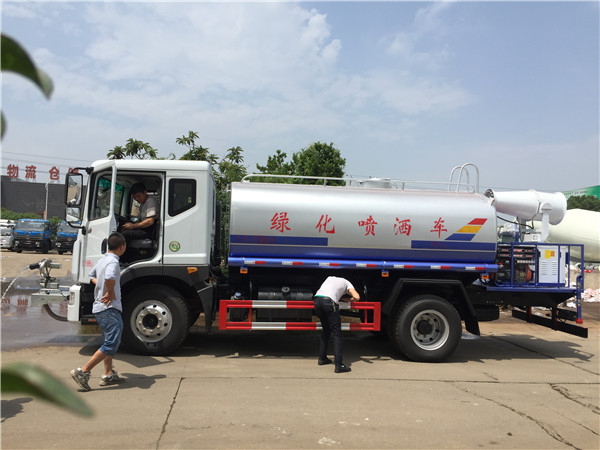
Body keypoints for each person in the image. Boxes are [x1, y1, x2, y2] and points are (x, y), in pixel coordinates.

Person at [71, 232, 127, 391]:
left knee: (109, 340)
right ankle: (83, 371)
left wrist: (101, 285)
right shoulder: (113, 262)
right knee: (112, 343)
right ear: (122, 247)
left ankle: (108, 374)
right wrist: (109, 292)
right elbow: (109, 277)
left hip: (100, 308)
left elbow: (91, 275)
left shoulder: (103, 260)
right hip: (109, 308)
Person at [313, 276, 360, 373]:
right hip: (329, 302)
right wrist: (347, 299)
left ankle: (322, 358)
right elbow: (357, 297)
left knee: (326, 331)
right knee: (337, 334)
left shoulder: (329, 278)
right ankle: (339, 365)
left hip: (317, 300)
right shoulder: (348, 283)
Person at [119, 183, 158, 262]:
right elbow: (140, 220)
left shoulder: (150, 201)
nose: (137, 199)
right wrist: (129, 225)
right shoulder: (142, 204)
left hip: (148, 231)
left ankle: (123, 258)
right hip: (144, 228)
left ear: (145, 193)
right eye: (135, 197)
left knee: (124, 235)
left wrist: (133, 226)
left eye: (139, 196)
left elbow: (150, 221)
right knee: (124, 229)